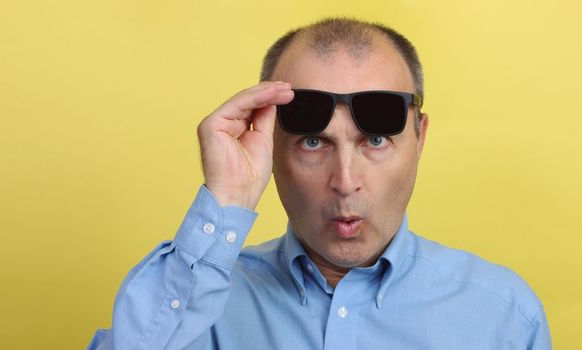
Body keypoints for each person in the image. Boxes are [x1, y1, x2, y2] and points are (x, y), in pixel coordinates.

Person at [88, 18, 551, 349]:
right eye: (313, 142)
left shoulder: (504, 317)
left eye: (374, 140)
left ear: (419, 137)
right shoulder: (196, 303)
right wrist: (225, 200)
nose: (345, 182)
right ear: (267, 144)